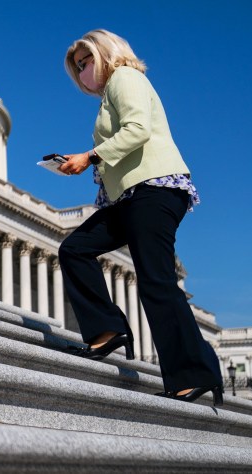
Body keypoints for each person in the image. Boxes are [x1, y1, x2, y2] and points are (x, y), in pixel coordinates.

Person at [56, 29, 223, 406]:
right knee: (75, 249)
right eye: (78, 66)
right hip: (129, 198)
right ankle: (108, 331)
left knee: (156, 281)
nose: (84, 70)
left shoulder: (125, 77)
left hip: (155, 188)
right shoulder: (108, 95)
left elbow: (137, 130)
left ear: (107, 53)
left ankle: (195, 373)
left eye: (87, 60)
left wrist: (89, 157)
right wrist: (83, 161)